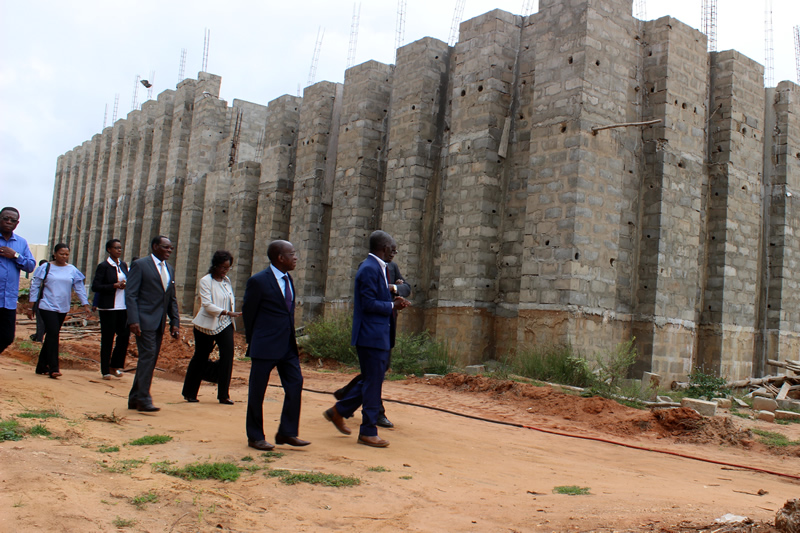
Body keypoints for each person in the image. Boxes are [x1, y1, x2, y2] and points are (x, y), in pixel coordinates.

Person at [323, 230, 410, 448]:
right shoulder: (369, 269)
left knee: (371, 381)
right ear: (384, 248)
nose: (395, 253)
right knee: (372, 383)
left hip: (378, 334)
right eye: (393, 249)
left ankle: (339, 411)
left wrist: (394, 299)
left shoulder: (380, 268)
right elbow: (369, 304)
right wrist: (393, 305)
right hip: (371, 335)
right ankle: (368, 431)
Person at [242, 239, 309, 451]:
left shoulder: (289, 280)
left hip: (287, 346)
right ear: (280, 258)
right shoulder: (259, 281)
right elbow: (248, 314)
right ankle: (255, 437)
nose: (296, 257)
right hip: (265, 346)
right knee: (257, 392)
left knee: (295, 384)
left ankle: (287, 432)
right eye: (292, 253)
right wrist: (255, 341)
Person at [125, 236, 180, 412]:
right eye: (166, 247)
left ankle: (134, 398)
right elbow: (131, 294)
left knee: (149, 358)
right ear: (155, 246)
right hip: (143, 320)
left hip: (159, 322)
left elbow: (171, 298)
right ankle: (143, 399)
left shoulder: (169, 269)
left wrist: (175, 322)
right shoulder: (141, 265)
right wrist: (133, 320)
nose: (169, 251)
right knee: (148, 356)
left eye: (171, 248)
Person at [182, 250, 241, 404]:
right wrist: (226, 312)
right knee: (201, 357)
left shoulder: (226, 281)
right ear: (215, 266)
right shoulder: (205, 281)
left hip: (225, 323)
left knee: (227, 357)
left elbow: (229, 300)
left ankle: (223, 395)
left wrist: (229, 314)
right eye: (223, 268)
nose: (225, 271)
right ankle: (190, 393)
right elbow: (207, 305)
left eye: (228, 268)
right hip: (206, 326)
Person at [27, 243, 91, 378]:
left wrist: (85, 304)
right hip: (46, 305)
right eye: (61, 253)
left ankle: (41, 366)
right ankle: (54, 368)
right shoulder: (46, 267)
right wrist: (30, 305)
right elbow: (35, 286)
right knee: (53, 333)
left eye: (67, 254)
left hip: (63, 307)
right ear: (55, 254)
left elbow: (79, 288)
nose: (64, 256)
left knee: (51, 334)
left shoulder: (72, 270)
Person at [91, 239, 130, 380]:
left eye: (120, 247)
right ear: (109, 249)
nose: (119, 250)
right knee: (108, 338)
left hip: (122, 307)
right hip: (108, 307)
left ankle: (115, 365)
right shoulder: (104, 266)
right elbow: (96, 286)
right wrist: (113, 285)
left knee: (124, 335)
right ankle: (105, 369)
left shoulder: (124, 265)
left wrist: (125, 284)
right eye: (116, 248)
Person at [0, 207, 36, 354]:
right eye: (5, 218)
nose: (9, 222)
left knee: (7, 337)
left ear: (17, 223)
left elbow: (31, 266)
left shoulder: (21, 243)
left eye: (13, 220)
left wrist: (15, 255)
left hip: (8, 301)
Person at [29, 259, 49, 343]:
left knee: (47, 323)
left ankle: (37, 336)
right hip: (39, 300)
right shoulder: (37, 277)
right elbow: (33, 289)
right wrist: (32, 305)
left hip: (48, 301)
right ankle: (38, 339)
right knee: (41, 322)